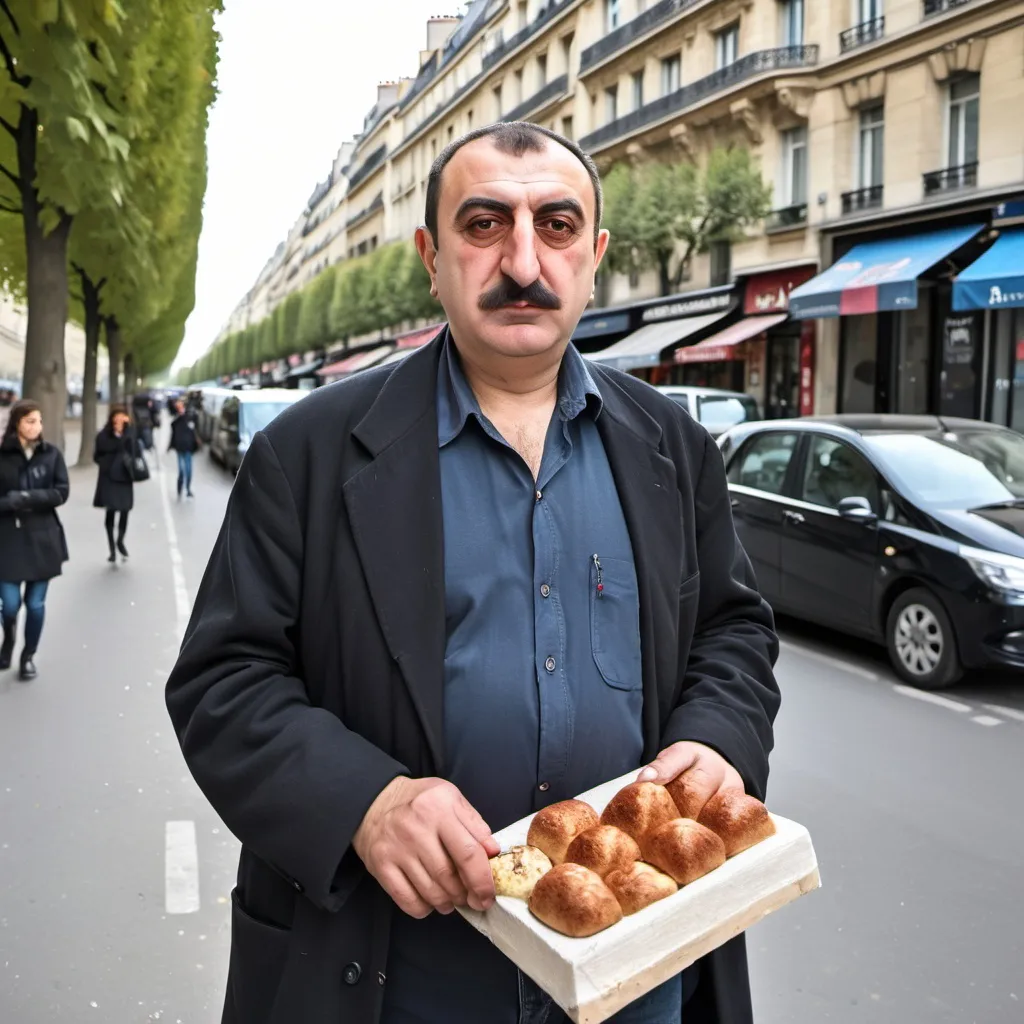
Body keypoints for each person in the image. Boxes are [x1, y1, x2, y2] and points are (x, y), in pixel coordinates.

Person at [166, 123, 780, 1024]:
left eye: (558, 226)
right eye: (485, 224)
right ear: (431, 255)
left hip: (636, 967)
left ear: (596, 255)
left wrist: (719, 737)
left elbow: (733, 628)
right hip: (395, 978)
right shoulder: (306, 455)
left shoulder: (673, 449)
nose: (524, 260)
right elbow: (222, 681)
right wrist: (364, 804)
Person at [0, 400, 69, 680]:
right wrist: (10, 502)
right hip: (8, 541)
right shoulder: (2, 455)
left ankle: (29, 655)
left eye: (39, 421)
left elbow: (60, 492)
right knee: (11, 604)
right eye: (30, 421)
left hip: (44, 540)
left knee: (36, 604)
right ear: (17, 422)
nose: (36, 427)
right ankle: (9, 640)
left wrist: (27, 498)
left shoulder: (51, 454)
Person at [93, 405, 140, 563]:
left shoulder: (129, 434)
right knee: (110, 512)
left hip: (125, 477)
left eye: (122, 417)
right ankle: (112, 549)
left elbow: (135, 449)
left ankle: (120, 540)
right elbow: (97, 455)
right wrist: (107, 464)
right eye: (117, 417)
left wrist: (128, 430)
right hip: (109, 479)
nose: (119, 420)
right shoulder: (104, 435)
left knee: (125, 510)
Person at [168, 398, 201, 498]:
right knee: (182, 470)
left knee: (189, 470)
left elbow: (195, 422)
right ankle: (180, 487)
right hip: (180, 448)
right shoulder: (177, 419)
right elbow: (172, 427)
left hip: (188, 448)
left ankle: (188, 489)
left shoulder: (190, 416)